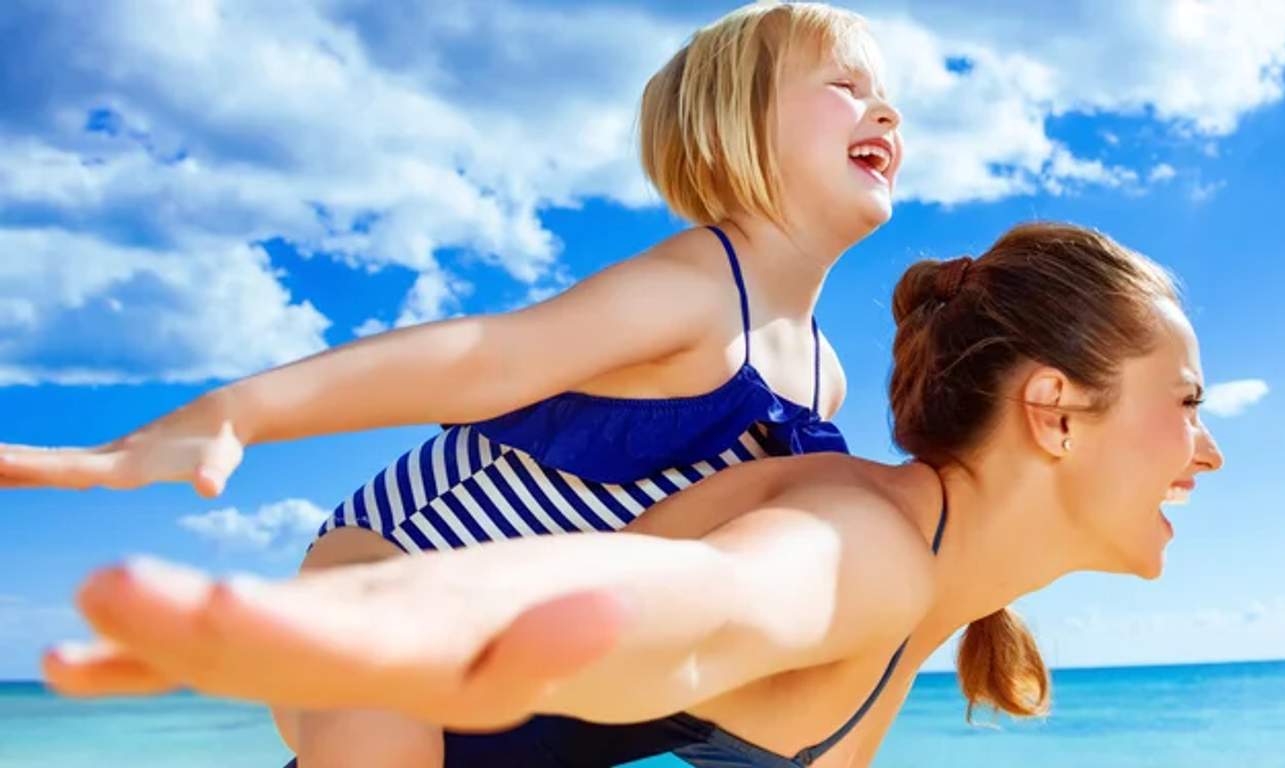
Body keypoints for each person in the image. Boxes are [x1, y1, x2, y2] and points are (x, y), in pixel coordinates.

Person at [0, 2, 902, 763]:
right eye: (846, 87)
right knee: (379, 692)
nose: (886, 113)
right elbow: (482, 360)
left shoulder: (822, 377)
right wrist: (235, 410)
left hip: (517, 658)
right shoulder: (700, 285)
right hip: (392, 575)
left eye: (889, 100)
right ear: (733, 127)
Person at [46, 222, 1227, 768]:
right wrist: (370, 622)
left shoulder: (915, 590)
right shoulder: (866, 544)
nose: (1207, 449)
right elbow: (695, 600)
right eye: (1185, 400)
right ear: (1054, 410)